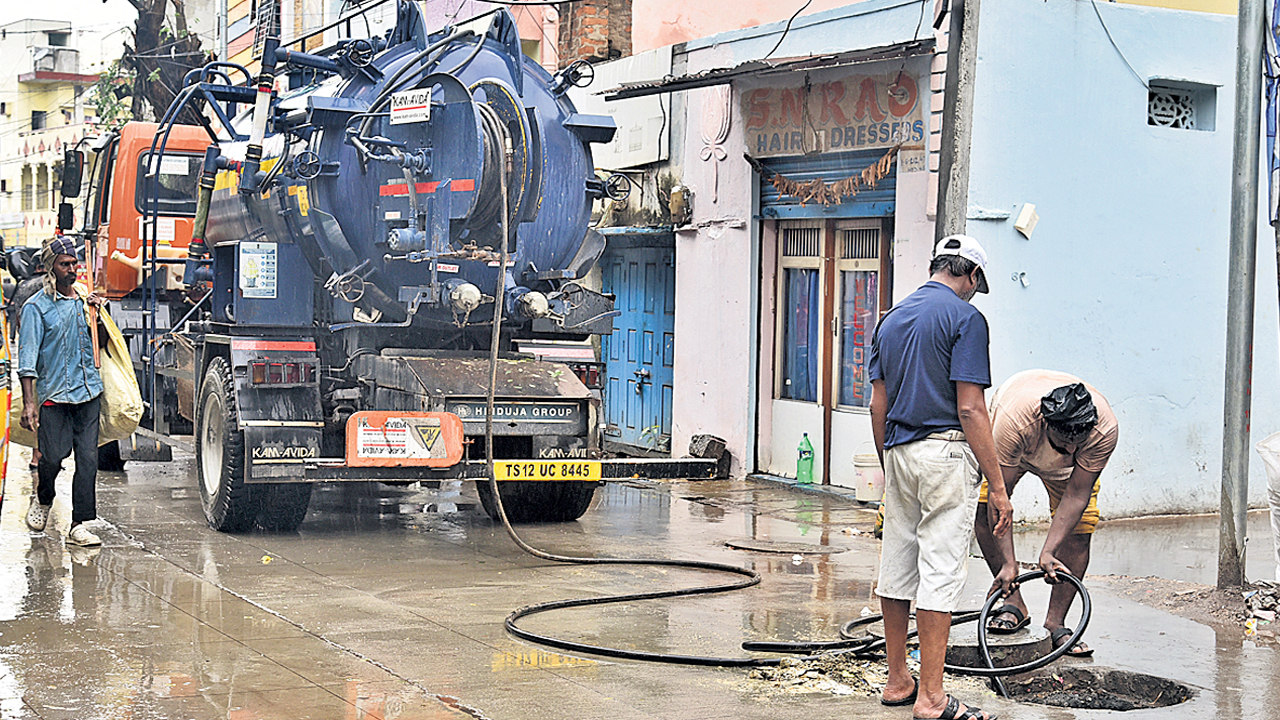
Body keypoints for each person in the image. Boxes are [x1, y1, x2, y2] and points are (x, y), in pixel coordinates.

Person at [868, 234, 1013, 720]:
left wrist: (888, 461)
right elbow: (971, 407)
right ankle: (931, 698)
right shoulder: (965, 318)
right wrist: (997, 484)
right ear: (970, 274)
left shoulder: (891, 319)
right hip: (945, 454)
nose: (974, 291)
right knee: (941, 573)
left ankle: (897, 680)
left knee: (898, 567)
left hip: (900, 453)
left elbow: (877, 403)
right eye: (976, 283)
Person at [974, 370, 1118, 657]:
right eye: (1062, 445)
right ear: (1045, 422)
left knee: (1080, 532)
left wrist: (1049, 551)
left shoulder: (1104, 430)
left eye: (1077, 447)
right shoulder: (1014, 421)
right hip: (1017, 446)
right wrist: (1009, 563)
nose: (1069, 452)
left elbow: (1077, 494)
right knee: (983, 516)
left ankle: (1056, 624)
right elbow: (999, 497)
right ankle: (1013, 603)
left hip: (1063, 470)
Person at [19, 235, 107, 547]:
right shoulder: (36, 309)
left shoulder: (85, 302)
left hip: (88, 393)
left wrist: (100, 316)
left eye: (74, 263)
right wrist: (29, 404)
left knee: (88, 459)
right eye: (64, 264)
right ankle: (44, 498)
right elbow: (27, 360)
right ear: (50, 269)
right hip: (54, 396)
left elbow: (103, 346)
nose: (72, 269)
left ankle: (79, 524)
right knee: (53, 458)